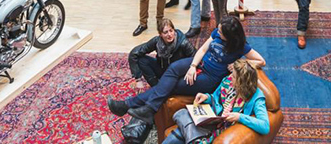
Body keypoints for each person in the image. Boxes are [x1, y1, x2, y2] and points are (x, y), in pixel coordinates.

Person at [108, 17, 266, 125]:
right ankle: (148, 109)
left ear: (230, 37)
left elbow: (261, 61)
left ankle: (129, 105)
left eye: (221, 32)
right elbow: (203, 49)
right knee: (173, 69)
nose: (217, 32)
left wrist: (239, 62)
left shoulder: (241, 46)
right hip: (199, 63)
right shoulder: (217, 34)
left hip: (210, 78)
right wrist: (192, 66)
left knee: (173, 85)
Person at [162, 59, 271, 144]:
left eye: (234, 77)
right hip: (212, 119)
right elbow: (215, 97)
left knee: (181, 132)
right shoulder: (228, 81)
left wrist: (239, 117)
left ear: (242, 82)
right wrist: (206, 97)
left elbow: (265, 126)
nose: (230, 77)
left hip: (224, 128)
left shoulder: (256, 97)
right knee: (182, 121)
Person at [128, 18, 196, 87]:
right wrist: (138, 78)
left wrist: (191, 69)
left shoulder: (184, 43)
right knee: (142, 60)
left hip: (178, 74)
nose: (169, 34)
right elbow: (134, 53)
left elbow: (196, 58)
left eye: (171, 31)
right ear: (160, 34)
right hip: (163, 70)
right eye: (165, 32)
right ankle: (156, 86)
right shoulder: (157, 41)